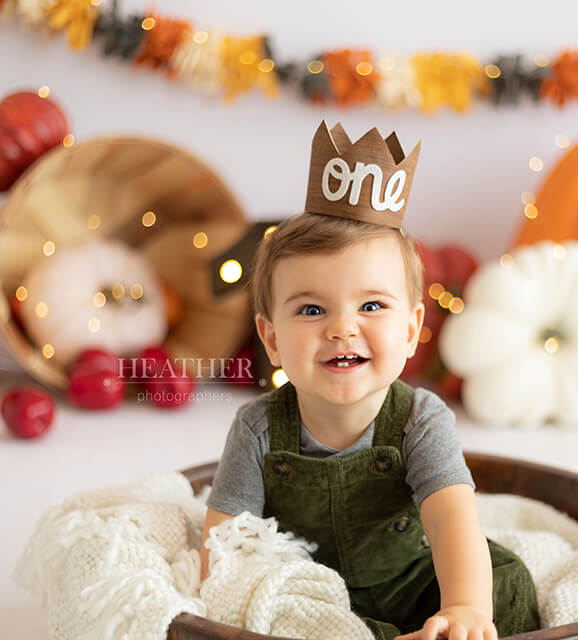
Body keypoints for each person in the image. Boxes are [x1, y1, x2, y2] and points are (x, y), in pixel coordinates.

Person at [200, 122, 539, 640]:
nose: (342, 328)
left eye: (372, 305)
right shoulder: (258, 428)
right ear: (270, 339)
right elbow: (225, 542)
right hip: (314, 591)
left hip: (412, 578)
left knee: (507, 580)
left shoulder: (420, 421)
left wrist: (466, 608)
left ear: (410, 331)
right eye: (312, 309)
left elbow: (451, 517)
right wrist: (224, 601)